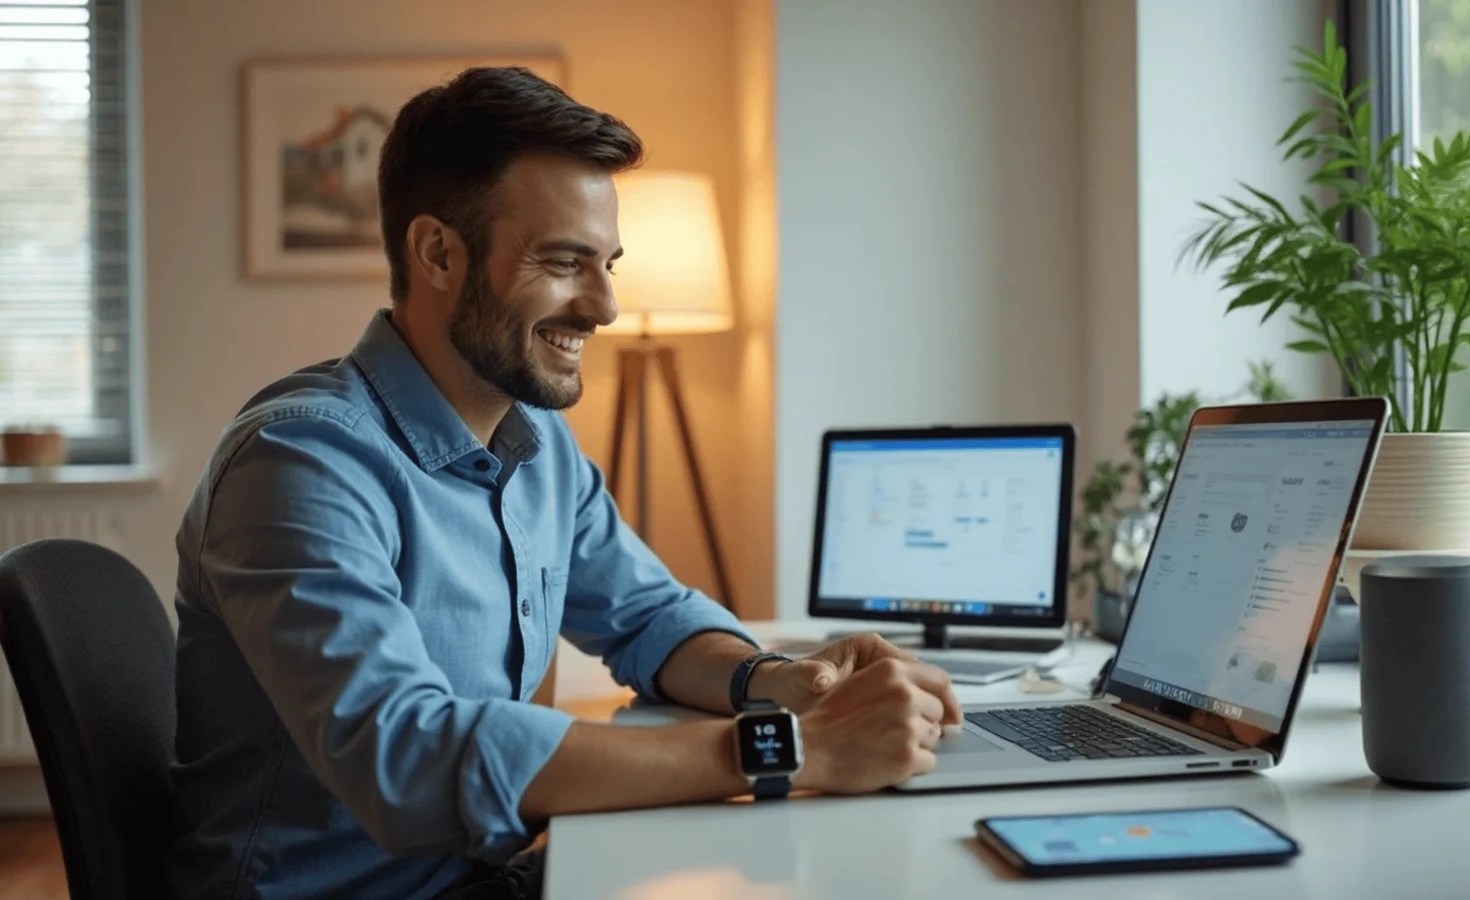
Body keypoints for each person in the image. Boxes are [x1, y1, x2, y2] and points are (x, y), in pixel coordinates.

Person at [166, 66, 961, 900]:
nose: (606, 305)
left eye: (608, 263)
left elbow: (650, 616)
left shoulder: (535, 441)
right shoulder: (302, 463)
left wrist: (782, 683)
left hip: (484, 875)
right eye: (564, 261)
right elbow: (407, 758)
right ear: (438, 252)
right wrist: (792, 748)